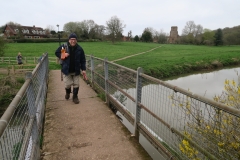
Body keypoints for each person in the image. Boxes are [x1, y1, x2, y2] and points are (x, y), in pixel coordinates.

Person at [55, 33, 88, 104]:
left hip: (76, 70)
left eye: (74, 39)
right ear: (69, 40)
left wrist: (84, 69)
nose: (73, 41)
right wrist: (63, 54)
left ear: (76, 40)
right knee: (67, 84)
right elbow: (56, 52)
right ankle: (67, 93)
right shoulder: (64, 47)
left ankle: (75, 97)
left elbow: (83, 60)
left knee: (76, 84)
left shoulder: (79, 49)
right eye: (71, 39)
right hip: (66, 70)